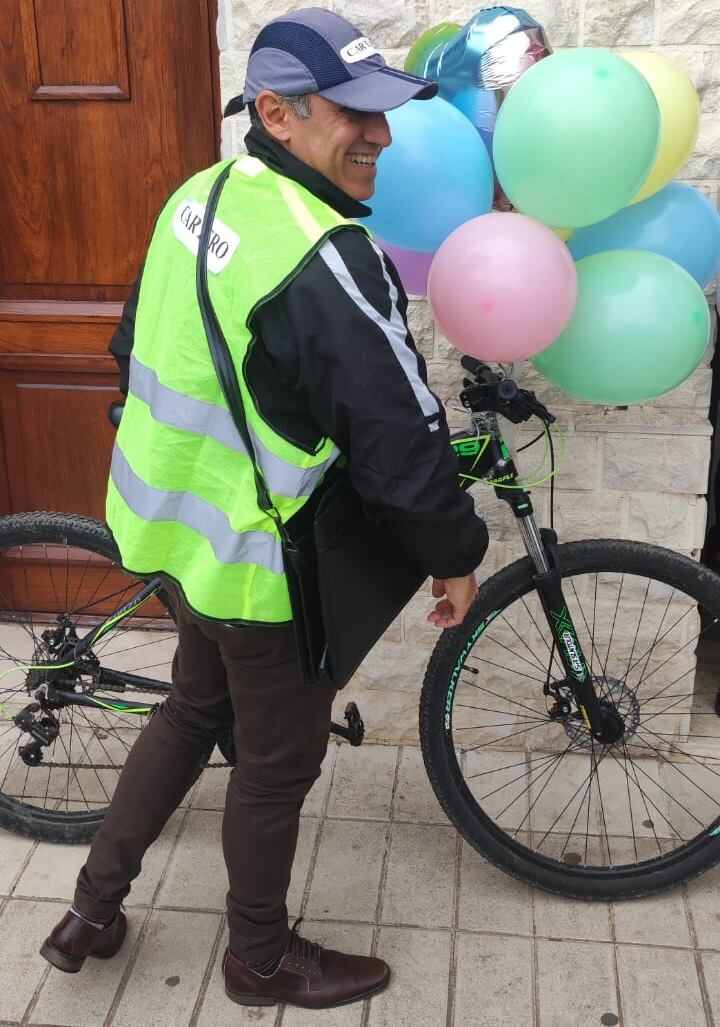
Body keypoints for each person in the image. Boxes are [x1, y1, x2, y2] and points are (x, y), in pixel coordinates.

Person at [39, 7, 489, 1010]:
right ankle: (261, 956)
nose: (379, 136)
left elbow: (133, 347)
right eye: (354, 114)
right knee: (277, 762)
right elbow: (401, 437)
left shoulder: (199, 195)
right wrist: (456, 550)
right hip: (254, 558)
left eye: (386, 112)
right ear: (278, 114)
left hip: (169, 527)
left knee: (194, 705)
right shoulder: (323, 253)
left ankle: (91, 905)